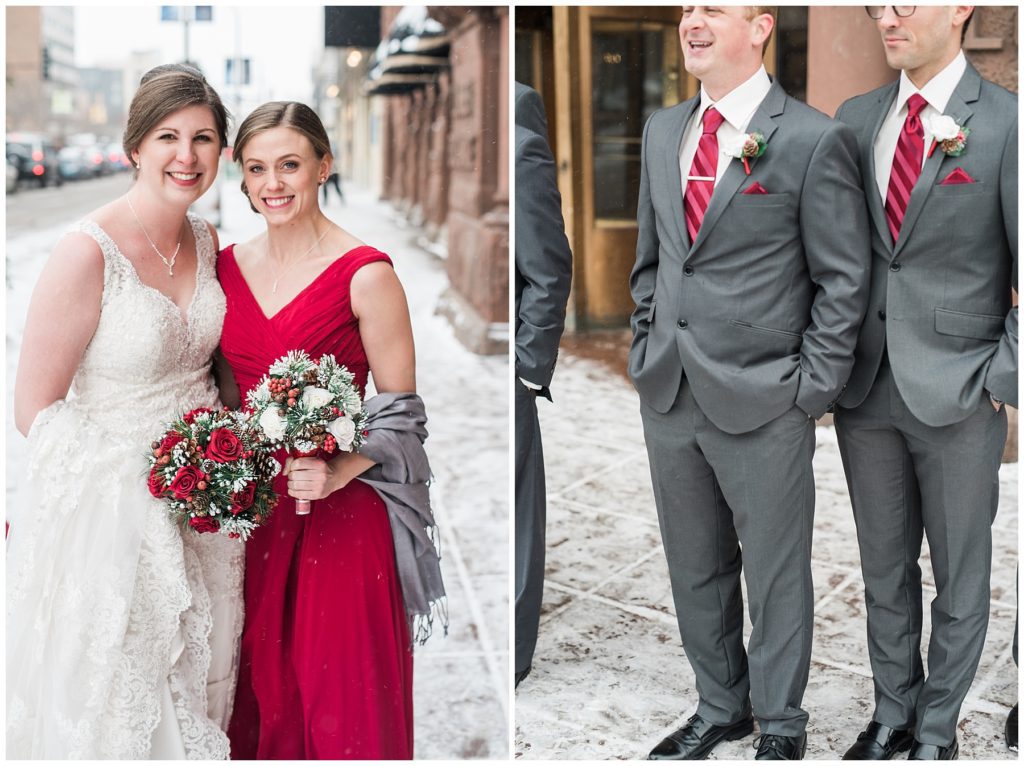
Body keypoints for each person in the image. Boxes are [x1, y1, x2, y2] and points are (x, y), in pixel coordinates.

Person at [630, 7, 870, 760]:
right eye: (686, 10)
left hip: (768, 396)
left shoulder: (809, 137)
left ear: (761, 25)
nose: (692, 21)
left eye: (714, 8)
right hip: (670, 390)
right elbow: (654, 258)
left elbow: (843, 277)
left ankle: (783, 723)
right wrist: (645, 345)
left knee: (774, 574)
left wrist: (812, 388)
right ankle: (719, 705)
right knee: (694, 564)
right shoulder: (662, 130)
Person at [6, 63, 241, 759]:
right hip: (115, 523)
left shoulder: (208, 241)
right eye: (168, 136)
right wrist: (137, 486)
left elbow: (214, 371)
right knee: (131, 701)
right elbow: (34, 407)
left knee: (204, 681)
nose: (187, 156)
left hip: (209, 514)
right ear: (134, 145)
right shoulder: (87, 253)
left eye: (203, 138)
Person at [218, 101, 444, 759]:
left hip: (342, 518)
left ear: (324, 165)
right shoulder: (226, 271)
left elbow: (404, 415)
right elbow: (229, 395)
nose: (274, 184)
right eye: (258, 168)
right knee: (262, 695)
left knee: (341, 701)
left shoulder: (366, 273)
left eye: (290, 164)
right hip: (258, 516)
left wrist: (341, 466)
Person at [833, 6, 1017, 759]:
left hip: (960, 392)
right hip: (866, 387)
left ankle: (937, 730)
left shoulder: (1007, 123)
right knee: (883, 568)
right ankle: (893, 715)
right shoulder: (855, 117)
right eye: (879, 4)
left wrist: (999, 376)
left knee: (960, 577)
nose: (889, 13)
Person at [513, 81, 573, 690]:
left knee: (518, 515)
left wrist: (527, 369)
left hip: (513, 367)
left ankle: (515, 652)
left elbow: (548, 267)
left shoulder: (519, 135)